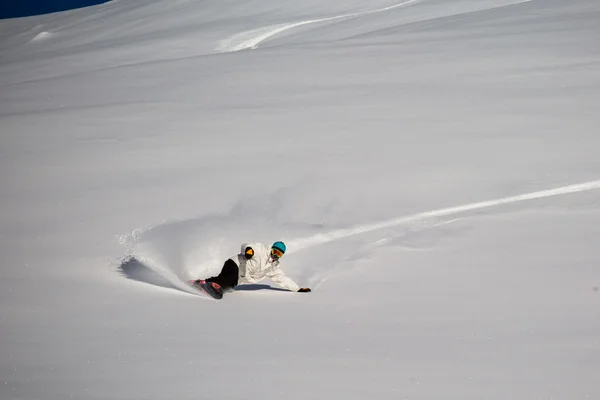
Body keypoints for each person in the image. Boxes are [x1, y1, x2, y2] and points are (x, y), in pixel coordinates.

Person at [193, 241, 311, 299]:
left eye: (279, 254)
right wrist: (248, 251)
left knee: (228, 281)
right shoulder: (261, 250)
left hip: (240, 277)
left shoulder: (274, 267)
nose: (275, 255)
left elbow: (283, 279)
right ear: (271, 249)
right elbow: (247, 245)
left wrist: (297, 289)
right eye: (274, 252)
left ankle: (201, 283)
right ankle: (215, 288)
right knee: (230, 278)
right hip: (235, 264)